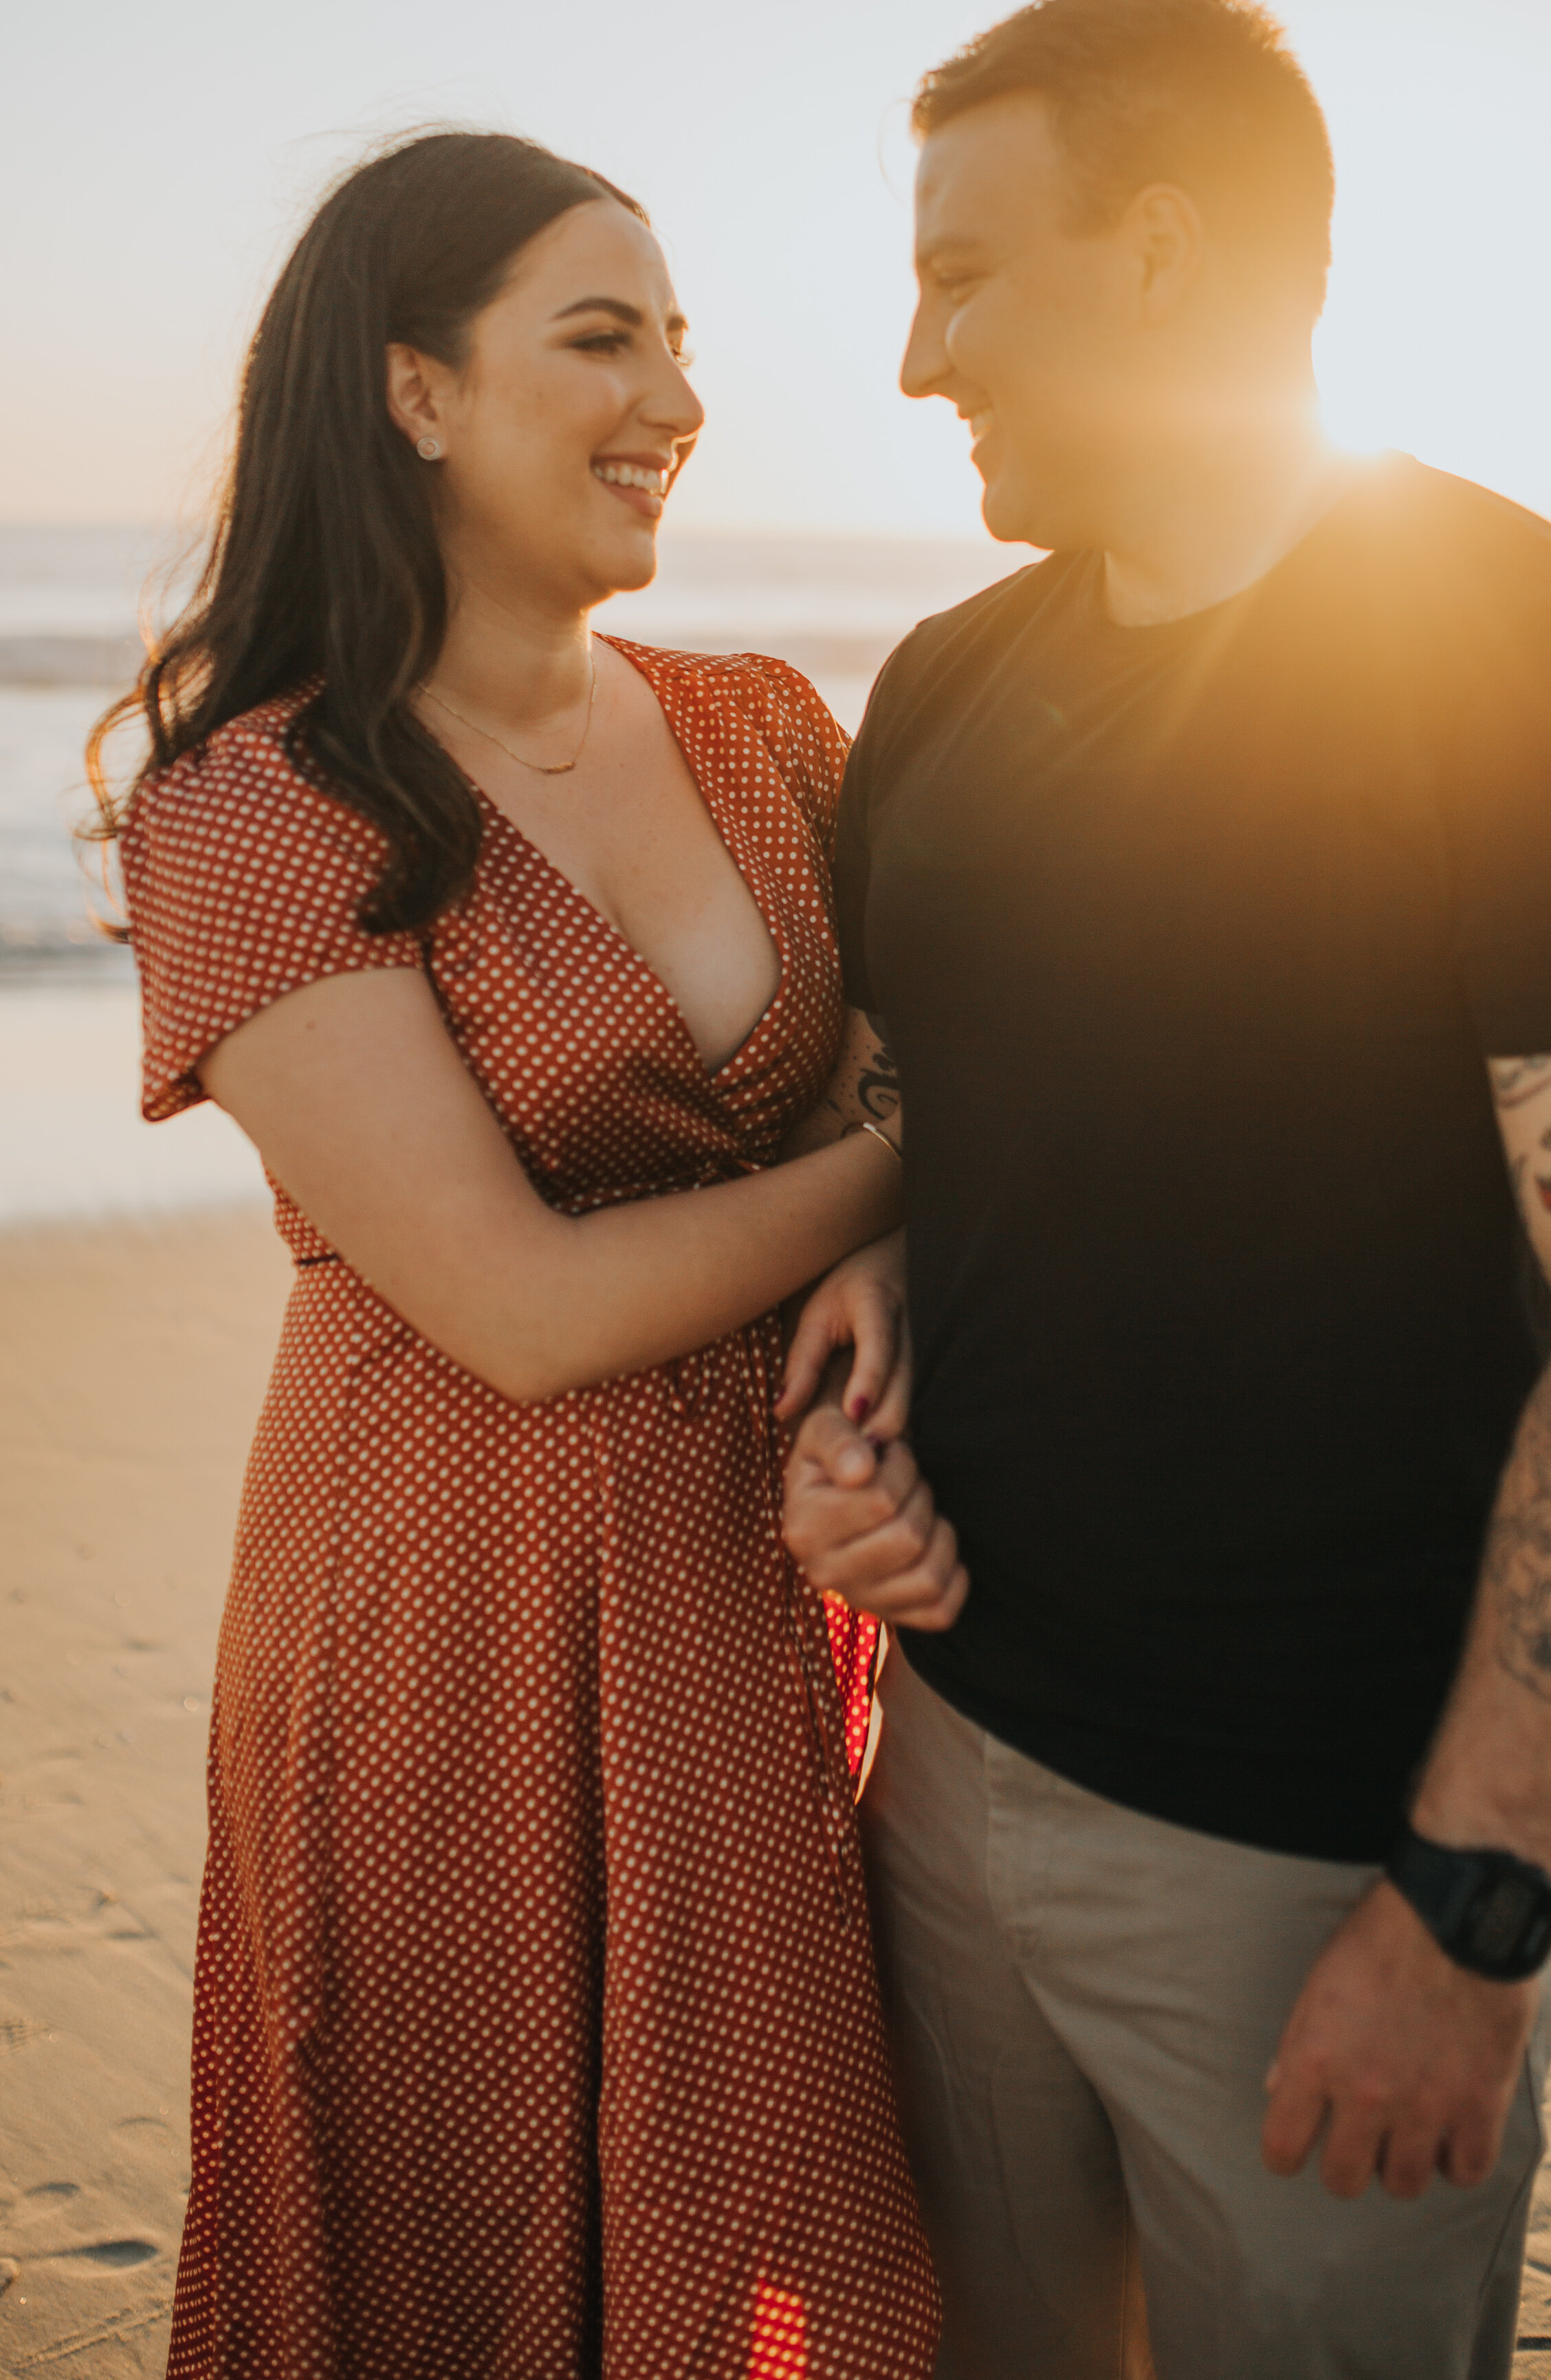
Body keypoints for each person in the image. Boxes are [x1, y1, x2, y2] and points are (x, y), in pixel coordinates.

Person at [779, 0, 1551, 2379]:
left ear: (1168, 252)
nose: (914, 358)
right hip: (946, 1769)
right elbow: (913, 1131)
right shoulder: (953, 690)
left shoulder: (1540, 673)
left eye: (962, 273)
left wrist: (1470, 1910)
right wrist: (839, 1421)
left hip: (1313, 1867)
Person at [90, 129, 940, 2380]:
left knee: (775, 2239)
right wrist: (913, 1172)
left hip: (744, 1593)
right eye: (599, 338)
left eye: (679, 345)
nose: (670, 395)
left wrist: (891, 1292)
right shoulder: (254, 802)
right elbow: (521, 1306)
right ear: (414, 393)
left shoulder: (773, 728)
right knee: (459, 2251)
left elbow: (911, 1054)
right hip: (439, 1620)